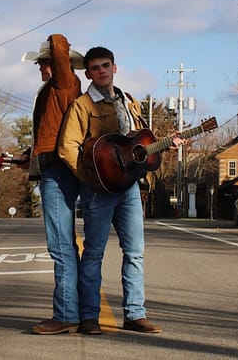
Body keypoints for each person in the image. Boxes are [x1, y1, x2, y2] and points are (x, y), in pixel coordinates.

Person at [57, 46, 184, 335]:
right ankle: (89, 317)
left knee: (135, 252)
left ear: (115, 68)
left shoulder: (130, 103)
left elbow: (138, 145)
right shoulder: (82, 106)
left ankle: (135, 314)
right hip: (99, 191)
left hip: (129, 190)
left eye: (106, 65)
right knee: (93, 254)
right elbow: (67, 148)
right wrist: (91, 177)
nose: (101, 71)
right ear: (88, 73)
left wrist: (168, 144)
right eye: (95, 68)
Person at [18, 34, 84, 335]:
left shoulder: (65, 84)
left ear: (60, 65)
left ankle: (67, 314)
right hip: (52, 169)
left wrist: (52, 43)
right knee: (65, 245)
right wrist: (27, 159)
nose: (41, 67)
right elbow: (49, 136)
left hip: (59, 173)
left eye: (45, 62)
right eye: (40, 63)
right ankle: (76, 312)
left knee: (60, 246)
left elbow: (58, 44)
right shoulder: (54, 93)